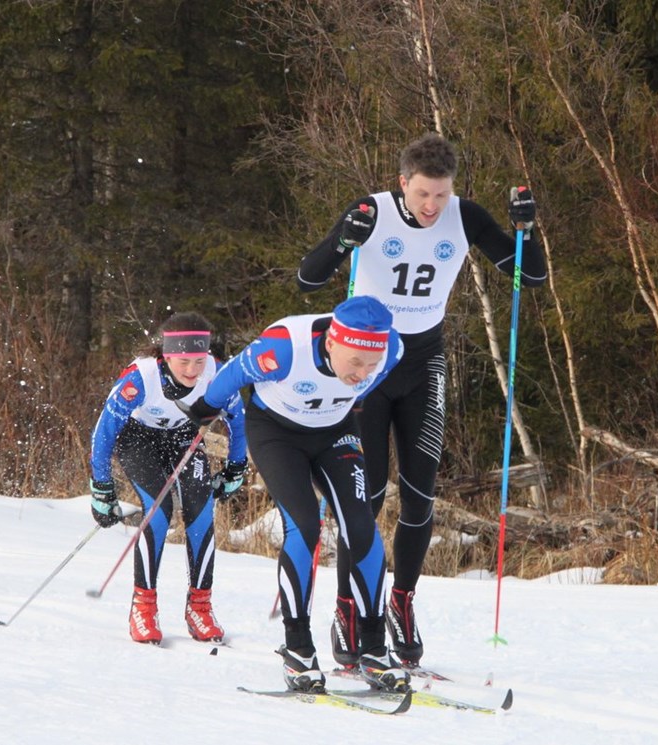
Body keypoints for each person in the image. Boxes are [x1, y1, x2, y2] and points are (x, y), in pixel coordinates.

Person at [297, 132, 547, 668]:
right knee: (364, 499)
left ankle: (401, 603)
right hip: (365, 367)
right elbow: (307, 280)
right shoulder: (372, 212)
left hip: (424, 363)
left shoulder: (466, 216)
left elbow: (531, 274)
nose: (432, 206)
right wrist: (344, 238)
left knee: (419, 496)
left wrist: (528, 230)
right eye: (422, 194)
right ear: (402, 183)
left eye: (441, 194)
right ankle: (349, 610)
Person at [182, 296, 406, 693]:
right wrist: (204, 408)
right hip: (276, 434)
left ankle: (373, 648)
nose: (362, 372)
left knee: (361, 527)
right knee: (304, 525)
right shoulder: (284, 347)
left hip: (335, 432)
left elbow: (368, 385)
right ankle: (299, 647)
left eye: (370, 365)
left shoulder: (394, 350)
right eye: (355, 362)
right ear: (333, 342)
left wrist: (350, 392)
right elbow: (233, 374)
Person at [89, 312, 247, 645]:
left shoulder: (216, 374)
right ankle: (143, 607)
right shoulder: (141, 377)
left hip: (183, 437)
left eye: (199, 361)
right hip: (138, 438)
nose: (192, 370)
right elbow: (104, 432)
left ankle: (200, 606)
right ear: (166, 355)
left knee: (201, 512)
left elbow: (238, 422)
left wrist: (235, 467)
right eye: (184, 362)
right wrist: (101, 486)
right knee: (158, 513)